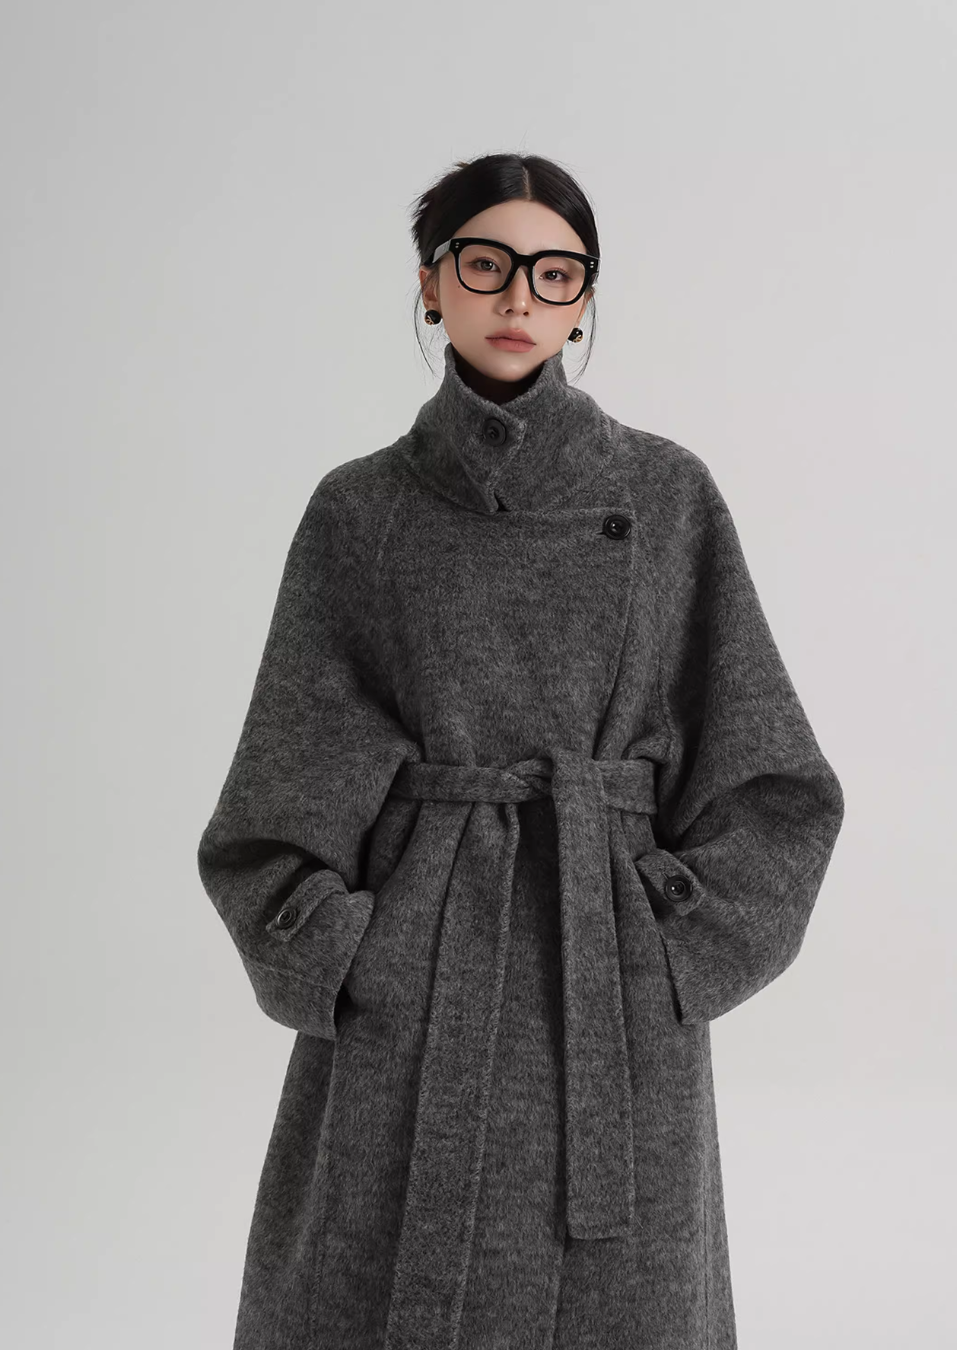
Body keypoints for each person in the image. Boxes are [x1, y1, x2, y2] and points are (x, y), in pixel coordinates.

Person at [197, 151, 845, 1350]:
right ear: (430, 282)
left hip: (608, 999)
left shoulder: (668, 495)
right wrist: (357, 957)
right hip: (417, 997)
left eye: (555, 273)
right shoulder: (359, 512)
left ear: (584, 299)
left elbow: (776, 786)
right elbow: (273, 805)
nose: (518, 297)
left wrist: (669, 943)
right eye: (486, 264)